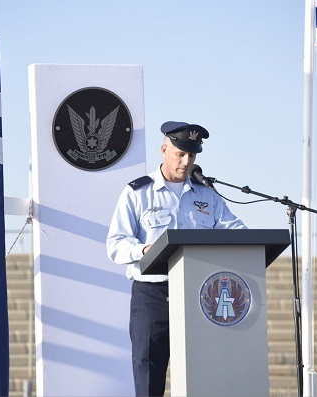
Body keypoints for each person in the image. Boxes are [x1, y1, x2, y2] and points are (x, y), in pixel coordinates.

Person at [106, 121, 247, 396]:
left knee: (201, 376)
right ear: (163, 150)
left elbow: (237, 231)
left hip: (199, 295)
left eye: (192, 155)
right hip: (152, 296)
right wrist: (143, 251)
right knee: (149, 375)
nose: (186, 161)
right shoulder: (137, 192)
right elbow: (115, 244)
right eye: (180, 154)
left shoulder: (207, 193)